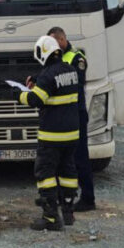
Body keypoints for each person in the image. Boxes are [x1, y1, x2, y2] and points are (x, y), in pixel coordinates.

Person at [18, 34, 80, 231]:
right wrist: (38, 80)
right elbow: (56, 85)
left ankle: (50, 218)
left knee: (45, 174)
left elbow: (36, 100)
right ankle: (68, 211)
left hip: (52, 135)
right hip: (71, 134)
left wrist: (18, 95)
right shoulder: (71, 70)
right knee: (67, 171)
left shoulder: (48, 76)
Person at [48, 26, 94, 212]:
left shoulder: (77, 58)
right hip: (61, 115)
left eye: (53, 42)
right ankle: (64, 197)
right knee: (61, 159)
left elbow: (75, 82)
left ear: (61, 40)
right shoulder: (55, 59)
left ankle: (88, 199)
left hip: (76, 113)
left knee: (80, 157)